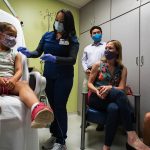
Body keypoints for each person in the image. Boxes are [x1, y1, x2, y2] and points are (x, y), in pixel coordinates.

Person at [17, 9, 79, 150]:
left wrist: (54, 58)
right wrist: (29, 52)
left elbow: (72, 59)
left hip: (64, 77)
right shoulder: (47, 36)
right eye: (57, 20)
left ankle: (61, 141)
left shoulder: (72, 39)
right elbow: (38, 52)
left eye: (62, 21)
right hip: (49, 76)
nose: (58, 23)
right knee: (53, 107)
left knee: (60, 107)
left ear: (68, 23)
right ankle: (55, 134)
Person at [88, 40, 150, 150]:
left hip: (112, 99)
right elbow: (89, 84)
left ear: (117, 52)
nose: (107, 50)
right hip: (97, 98)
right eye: (106, 48)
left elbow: (121, 87)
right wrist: (97, 91)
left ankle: (106, 146)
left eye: (110, 48)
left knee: (114, 108)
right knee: (120, 95)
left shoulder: (122, 69)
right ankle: (132, 136)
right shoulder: (98, 65)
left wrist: (110, 87)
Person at [0, 22, 54, 128]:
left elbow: (19, 70)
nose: (13, 39)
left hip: (10, 84)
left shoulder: (16, 55)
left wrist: (14, 80)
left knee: (24, 84)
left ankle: (37, 109)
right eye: (10, 34)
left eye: (15, 36)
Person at [81, 25, 106, 131]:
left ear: (101, 33)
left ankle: (101, 122)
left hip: (102, 75)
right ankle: (85, 121)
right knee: (85, 97)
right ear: (91, 35)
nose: (96, 34)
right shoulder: (87, 48)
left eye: (98, 32)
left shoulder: (106, 45)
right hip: (88, 74)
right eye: (94, 33)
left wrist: (103, 70)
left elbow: (108, 59)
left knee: (101, 96)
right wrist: (86, 69)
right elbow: (83, 60)